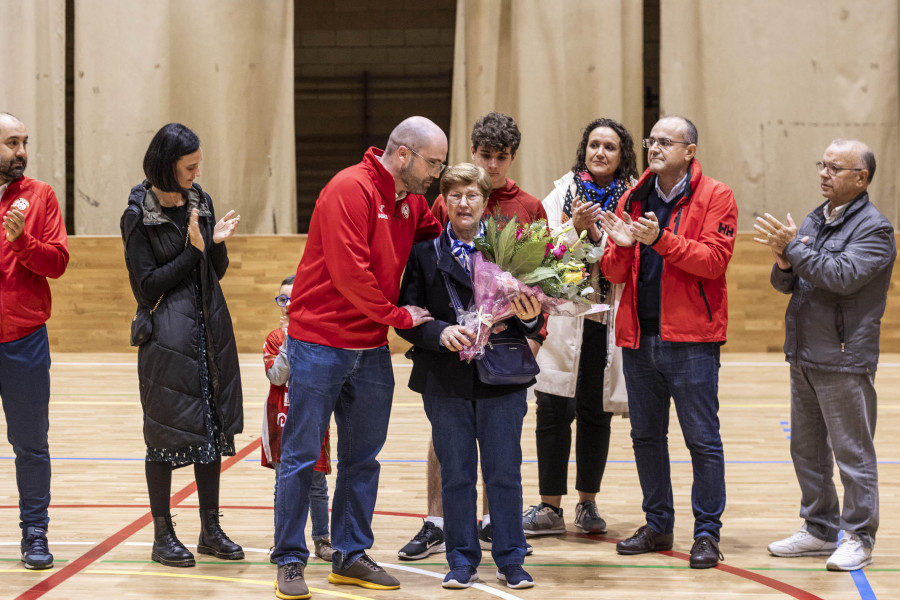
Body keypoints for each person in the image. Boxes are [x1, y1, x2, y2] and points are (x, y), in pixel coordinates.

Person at [273, 116, 444, 599]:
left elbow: (441, 235)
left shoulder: (410, 202)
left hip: (369, 349)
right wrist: (401, 317)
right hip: (320, 342)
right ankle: (289, 558)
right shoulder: (350, 189)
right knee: (302, 457)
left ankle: (350, 555)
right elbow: (352, 275)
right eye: (433, 162)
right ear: (404, 154)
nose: (436, 173)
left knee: (362, 458)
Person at [399, 111, 546, 560]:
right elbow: (410, 306)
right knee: (453, 462)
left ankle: (504, 544)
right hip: (446, 373)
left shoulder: (518, 229)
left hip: (503, 370)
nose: (493, 165)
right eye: (485, 156)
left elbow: (543, 289)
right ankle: (444, 533)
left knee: (504, 468)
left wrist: (531, 328)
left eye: (502, 158)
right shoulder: (427, 239)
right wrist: (440, 332)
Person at [599, 115, 737, 569]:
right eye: (651, 140)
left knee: (702, 440)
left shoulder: (716, 196)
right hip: (639, 337)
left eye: (665, 141)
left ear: (689, 151)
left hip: (692, 342)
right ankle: (658, 525)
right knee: (645, 438)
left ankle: (706, 534)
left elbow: (713, 262)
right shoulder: (633, 197)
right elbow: (615, 274)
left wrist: (661, 240)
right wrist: (620, 246)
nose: (654, 147)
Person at [756, 139, 895, 571]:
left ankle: (859, 537)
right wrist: (783, 262)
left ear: (861, 178)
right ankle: (818, 528)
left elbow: (841, 275)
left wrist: (794, 249)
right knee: (808, 450)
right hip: (804, 353)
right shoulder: (818, 219)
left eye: (835, 167)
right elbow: (791, 284)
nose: (824, 173)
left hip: (843, 355)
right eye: (823, 164)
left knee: (852, 453)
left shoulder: (875, 229)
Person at [121, 122, 244, 569]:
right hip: (166, 341)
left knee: (209, 434)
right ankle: (162, 534)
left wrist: (215, 247)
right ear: (166, 165)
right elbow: (146, 287)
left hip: (208, 333)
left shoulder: (201, 201)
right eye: (189, 166)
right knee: (165, 438)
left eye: (198, 165)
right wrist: (193, 251)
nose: (196, 172)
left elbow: (214, 272)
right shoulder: (138, 214)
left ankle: (210, 529)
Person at [523, 118, 637, 537]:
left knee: (596, 411)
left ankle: (587, 503)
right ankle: (549, 506)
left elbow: (633, 255)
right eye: (594, 145)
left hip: (607, 320)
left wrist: (599, 236)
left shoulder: (634, 197)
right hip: (565, 318)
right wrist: (576, 228)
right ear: (583, 150)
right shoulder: (562, 193)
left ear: (622, 154)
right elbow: (543, 251)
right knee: (553, 410)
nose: (600, 153)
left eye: (610, 146)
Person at [0, 112, 69, 570]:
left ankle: (35, 532)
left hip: (23, 340)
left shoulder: (40, 195)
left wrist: (22, 243)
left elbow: (58, 262)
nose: (21, 151)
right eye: (11, 143)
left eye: (23, 141)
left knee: (30, 444)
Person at [262, 275, 333, 563]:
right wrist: (290, 340)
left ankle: (322, 539)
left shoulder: (321, 336)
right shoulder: (275, 338)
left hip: (313, 419)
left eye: (294, 297)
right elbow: (277, 376)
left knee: (316, 484)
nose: (288, 304)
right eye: (283, 299)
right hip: (281, 423)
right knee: (284, 483)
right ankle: (283, 540)